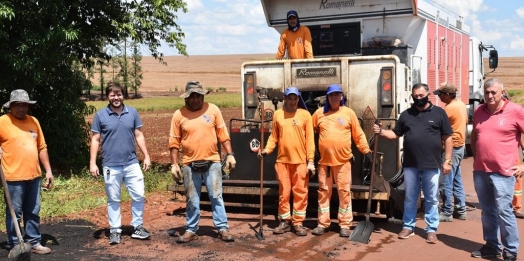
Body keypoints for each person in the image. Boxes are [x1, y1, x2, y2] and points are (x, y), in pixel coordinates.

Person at [372, 83, 452, 244]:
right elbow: (395, 134)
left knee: (431, 198)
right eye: (415, 96)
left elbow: (448, 137)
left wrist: (448, 161)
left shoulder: (439, 113)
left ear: (428, 94)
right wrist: (381, 132)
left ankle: (431, 229)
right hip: (410, 165)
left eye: (421, 96)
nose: (418, 99)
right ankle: (408, 226)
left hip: (431, 164)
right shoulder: (407, 114)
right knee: (410, 197)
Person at [169, 80, 237, 243]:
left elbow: (223, 134)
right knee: (192, 198)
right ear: (186, 98)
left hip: (212, 162)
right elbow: (174, 142)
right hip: (189, 165)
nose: (195, 99)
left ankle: (222, 228)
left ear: (202, 96)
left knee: (216, 195)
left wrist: (230, 154)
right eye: (191, 96)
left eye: (198, 96)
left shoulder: (213, 110)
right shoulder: (179, 115)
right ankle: (191, 229)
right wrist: (174, 164)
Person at [89, 82, 152, 245]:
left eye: (118, 94)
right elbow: (95, 139)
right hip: (110, 164)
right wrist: (92, 162)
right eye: (112, 94)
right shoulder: (101, 115)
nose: (116, 97)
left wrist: (146, 156)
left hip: (131, 163)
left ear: (123, 95)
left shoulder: (132, 112)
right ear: (107, 96)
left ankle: (137, 227)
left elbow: (139, 135)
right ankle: (115, 230)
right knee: (113, 199)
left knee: (139, 195)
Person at [470, 78, 524, 261]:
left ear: (502, 92)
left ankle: (510, 251)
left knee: (504, 211)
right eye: (487, 92)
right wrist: (476, 156)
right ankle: (492, 246)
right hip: (481, 171)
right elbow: (475, 135)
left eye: (494, 92)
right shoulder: (479, 111)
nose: (490, 95)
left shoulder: (515, 111)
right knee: (487, 210)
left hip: (504, 172)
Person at [310, 84, 371, 237]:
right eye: (331, 95)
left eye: (337, 94)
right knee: (323, 193)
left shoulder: (348, 113)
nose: (334, 97)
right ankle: (322, 223)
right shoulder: (318, 114)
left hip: (343, 162)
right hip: (324, 163)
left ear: (342, 96)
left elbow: (358, 135)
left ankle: (344, 224)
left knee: (344, 193)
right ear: (327, 97)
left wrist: (366, 150)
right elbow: (309, 132)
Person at [0, 89, 54, 256]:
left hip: (34, 176)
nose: (22, 108)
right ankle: (15, 245)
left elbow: (41, 147)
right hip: (12, 177)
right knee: (14, 213)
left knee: (33, 211)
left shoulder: (34, 121)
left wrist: (49, 171)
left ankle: (33, 242)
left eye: (24, 105)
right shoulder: (3, 121)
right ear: (11, 106)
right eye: (18, 105)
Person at [258, 87, 315, 236]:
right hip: (282, 161)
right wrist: (266, 150)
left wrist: (311, 161)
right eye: (289, 98)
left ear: (298, 99)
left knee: (301, 193)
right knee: (284, 193)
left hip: (301, 162)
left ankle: (298, 222)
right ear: (285, 99)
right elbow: (273, 137)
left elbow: (310, 140)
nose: (292, 101)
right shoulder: (278, 115)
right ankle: (284, 220)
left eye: (295, 98)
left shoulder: (305, 115)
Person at [434, 82, 468, 222]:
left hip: (450, 148)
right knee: (456, 180)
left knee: (445, 180)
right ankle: (460, 209)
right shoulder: (460, 105)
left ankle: (447, 211)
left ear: (447, 95)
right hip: (460, 147)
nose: (439, 97)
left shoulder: (448, 109)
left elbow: (438, 127)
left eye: (441, 95)